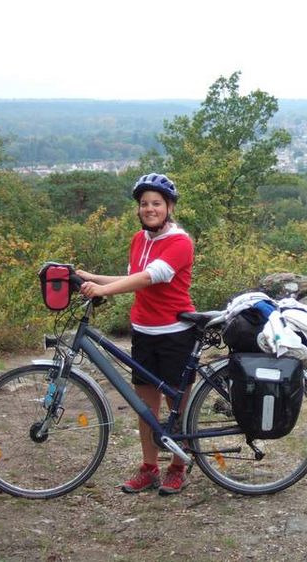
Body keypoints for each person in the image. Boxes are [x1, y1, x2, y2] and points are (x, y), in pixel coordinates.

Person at [77, 172, 196, 496]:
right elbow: (133, 277)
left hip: (174, 333)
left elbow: (149, 278)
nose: (149, 208)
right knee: (145, 407)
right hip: (143, 332)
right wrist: (91, 277)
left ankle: (178, 466)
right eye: (144, 204)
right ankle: (149, 467)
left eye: (156, 203)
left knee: (176, 405)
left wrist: (102, 289)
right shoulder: (139, 240)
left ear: (169, 207)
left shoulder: (180, 242)